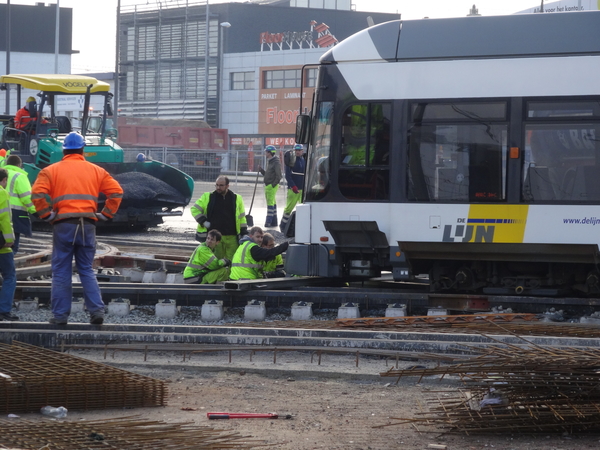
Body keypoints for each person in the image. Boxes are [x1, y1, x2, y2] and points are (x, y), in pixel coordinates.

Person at [31, 132, 123, 325]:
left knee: (61, 271)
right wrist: (106, 214)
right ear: (83, 149)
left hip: (63, 225)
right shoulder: (97, 171)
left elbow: (37, 193)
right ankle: (96, 312)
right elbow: (116, 192)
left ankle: (60, 316)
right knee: (86, 270)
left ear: (64, 149)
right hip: (87, 225)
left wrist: (46, 215)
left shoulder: (50, 170)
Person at [191, 175, 247, 260]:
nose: (218, 187)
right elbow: (194, 209)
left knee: (233, 261)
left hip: (232, 237)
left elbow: (242, 217)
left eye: (221, 185)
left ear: (227, 186)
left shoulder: (236, 198)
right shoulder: (208, 197)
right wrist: (203, 221)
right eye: (216, 185)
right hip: (216, 237)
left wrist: (244, 232)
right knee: (216, 261)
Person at [4, 155, 36, 254]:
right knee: (13, 245)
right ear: (19, 165)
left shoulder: (2, 174)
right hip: (16, 214)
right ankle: (7, 267)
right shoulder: (20, 176)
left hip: (2, 211)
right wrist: (35, 211)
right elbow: (27, 197)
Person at [0, 168, 17, 321]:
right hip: (1, 246)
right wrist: (9, 239)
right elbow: (5, 218)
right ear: (4, 180)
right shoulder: (2, 193)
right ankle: (4, 310)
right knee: (9, 276)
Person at [280, 144, 305, 233]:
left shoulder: (303, 160)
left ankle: (301, 226)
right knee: (289, 208)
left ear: (302, 151)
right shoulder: (291, 161)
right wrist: (293, 186)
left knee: (303, 209)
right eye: (296, 150)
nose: (298, 152)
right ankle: (283, 226)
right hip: (293, 189)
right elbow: (288, 175)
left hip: (302, 189)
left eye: (299, 150)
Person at [258, 145, 282, 228]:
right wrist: (261, 171)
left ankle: (268, 222)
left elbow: (279, 176)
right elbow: (267, 175)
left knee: (270, 204)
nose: (265, 153)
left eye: (266, 152)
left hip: (271, 186)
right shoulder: (271, 161)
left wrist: (273, 185)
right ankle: (274, 222)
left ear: (270, 152)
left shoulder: (276, 162)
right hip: (269, 185)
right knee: (273, 203)